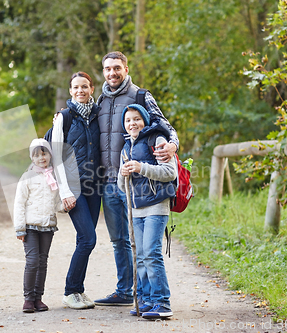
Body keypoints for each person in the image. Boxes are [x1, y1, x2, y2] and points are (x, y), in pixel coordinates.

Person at [94, 51, 179, 306]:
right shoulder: (100, 101)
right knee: (119, 240)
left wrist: (173, 144)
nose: (112, 73)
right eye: (107, 69)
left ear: (126, 69)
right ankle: (125, 291)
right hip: (110, 180)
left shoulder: (141, 96)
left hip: (138, 183)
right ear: (103, 71)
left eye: (117, 68)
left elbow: (165, 126)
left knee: (141, 244)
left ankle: (149, 296)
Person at [117, 104, 176, 318]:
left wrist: (141, 167)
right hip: (137, 209)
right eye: (128, 120)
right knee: (140, 256)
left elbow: (170, 173)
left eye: (136, 119)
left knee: (151, 253)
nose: (132, 123)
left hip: (157, 205)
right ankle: (146, 300)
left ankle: (162, 302)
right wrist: (123, 173)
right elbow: (122, 187)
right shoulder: (125, 148)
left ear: (145, 120)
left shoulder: (157, 140)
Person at [51, 71, 101, 309]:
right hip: (73, 188)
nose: (80, 91)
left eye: (84, 87)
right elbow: (56, 157)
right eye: (75, 87)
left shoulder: (98, 114)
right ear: (70, 90)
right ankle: (70, 291)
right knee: (88, 238)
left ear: (92, 88)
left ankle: (78, 290)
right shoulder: (64, 117)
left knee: (86, 240)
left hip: (94, 185)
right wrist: (64, 192)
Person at [13, 138, 64, 313]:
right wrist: (20, 227)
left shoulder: (54, 177)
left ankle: (38, 298)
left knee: (42, 262)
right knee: (33, 261)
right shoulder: (27, 177)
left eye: (44, 153)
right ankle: (28, 299)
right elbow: (19, 203)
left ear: (50, 155)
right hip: (30, 226)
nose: (41, 158)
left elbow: (56, 201)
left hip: (48, 225)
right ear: (32, 158)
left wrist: (64, 206)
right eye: (37, 155)